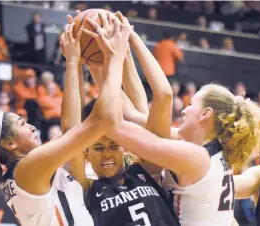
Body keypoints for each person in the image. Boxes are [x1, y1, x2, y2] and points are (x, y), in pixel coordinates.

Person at [101, 13, 260, 226]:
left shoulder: (194, 157)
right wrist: (119, 49)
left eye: (191, 104)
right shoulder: (209, 153)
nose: (184, 111)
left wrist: (113, 58)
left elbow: (116, 123)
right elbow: (132, 115)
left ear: (205, 114)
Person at [0, 19, 130, 226]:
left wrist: (77, 62)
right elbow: (93, 124)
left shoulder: (25, 170)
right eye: (21, 124)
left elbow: (72, 127)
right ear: (9, 144)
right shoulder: (28, 169)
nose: (32, 126)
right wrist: (114, 59)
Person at [69, 12, 180, 226]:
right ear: (85, 152)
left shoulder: (147, 169)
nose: (108, 153)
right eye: (98, 148)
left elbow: (139, 105)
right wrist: (83, 62)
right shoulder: (86, 190)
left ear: (125, 147)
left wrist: (121, 51)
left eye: (113, 145)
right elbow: (72, 129)